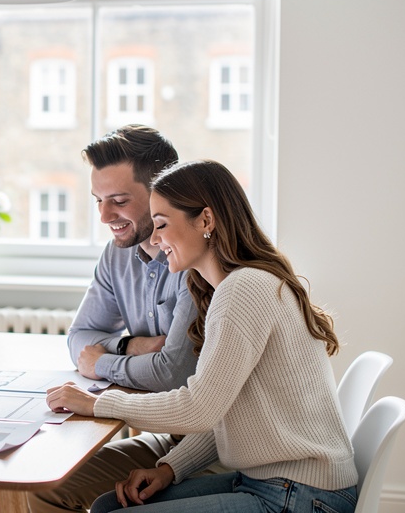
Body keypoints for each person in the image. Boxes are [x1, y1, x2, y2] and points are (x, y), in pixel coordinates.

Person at [46, 159, 358, 513]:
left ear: (206, 220)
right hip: (278, 483)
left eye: (162, 224)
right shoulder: (239, 285)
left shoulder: (243, 290)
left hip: (300, 494)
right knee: (108, 506)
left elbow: (199, 408)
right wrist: (169, 469)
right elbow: (223, 412)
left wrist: (97, 404)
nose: (155, 238)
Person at [30, 125, 200, 513]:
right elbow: (79, 337)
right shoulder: (117, 255)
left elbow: (172, 374)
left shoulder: (195, 261)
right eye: (98, 201)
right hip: (172, 438)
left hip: (214, 446)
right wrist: (129, 346)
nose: (106, 216)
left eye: (119, 201)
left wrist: (103, 362)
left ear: (161, 195)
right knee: (42, 484)